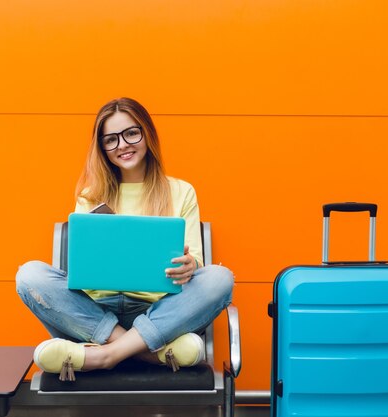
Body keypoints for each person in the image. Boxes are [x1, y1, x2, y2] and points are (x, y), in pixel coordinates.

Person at [16, 97, 234, 381]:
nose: (122, 145)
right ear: (102, 148)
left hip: (159, 309)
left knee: (220, 278)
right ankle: (148, 352)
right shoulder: (90, 195)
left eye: (131, 133)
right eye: (111, 139)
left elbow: (198, 265)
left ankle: (105, 355)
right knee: (29, 275)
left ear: (147, 133)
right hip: (96, 312)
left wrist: (189, 265)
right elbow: (82, 268)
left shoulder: (181, 191)